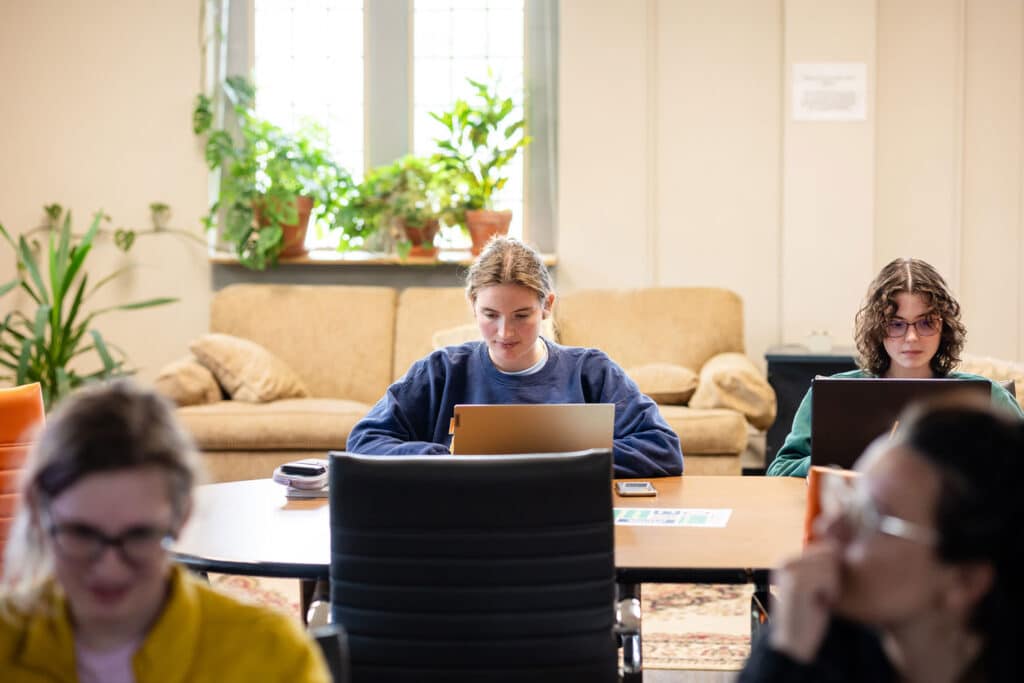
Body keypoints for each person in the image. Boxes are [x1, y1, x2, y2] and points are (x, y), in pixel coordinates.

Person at [0, 380, 329, 683]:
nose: (110, 568)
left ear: (182, 515)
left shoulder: (272, 657)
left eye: (139, 536)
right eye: (82, 535)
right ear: (37, 514)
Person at [740, 395, 1024, 682]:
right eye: (848, 497)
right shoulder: (815, 638)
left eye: (871, 516)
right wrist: (784, 654)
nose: (827, 529)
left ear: (965, 579)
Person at [346, 236, 683, 477]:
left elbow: (663, 447)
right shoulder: (441, 371)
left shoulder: (590, 371)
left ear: (547, 306)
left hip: (562, 525)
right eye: (490, 315)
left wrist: (561, 461)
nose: (505, 333)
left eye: (522, 316)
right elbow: (364, 441)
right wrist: (449, 457)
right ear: (473, 306)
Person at [767, 257, 1022, 477]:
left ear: (943, 326)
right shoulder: (830, 394)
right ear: (877, 329)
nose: (911, 338)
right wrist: (836, 461)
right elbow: (780, 468)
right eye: (896, 324)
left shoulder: (987, 397)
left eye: (925, 323)